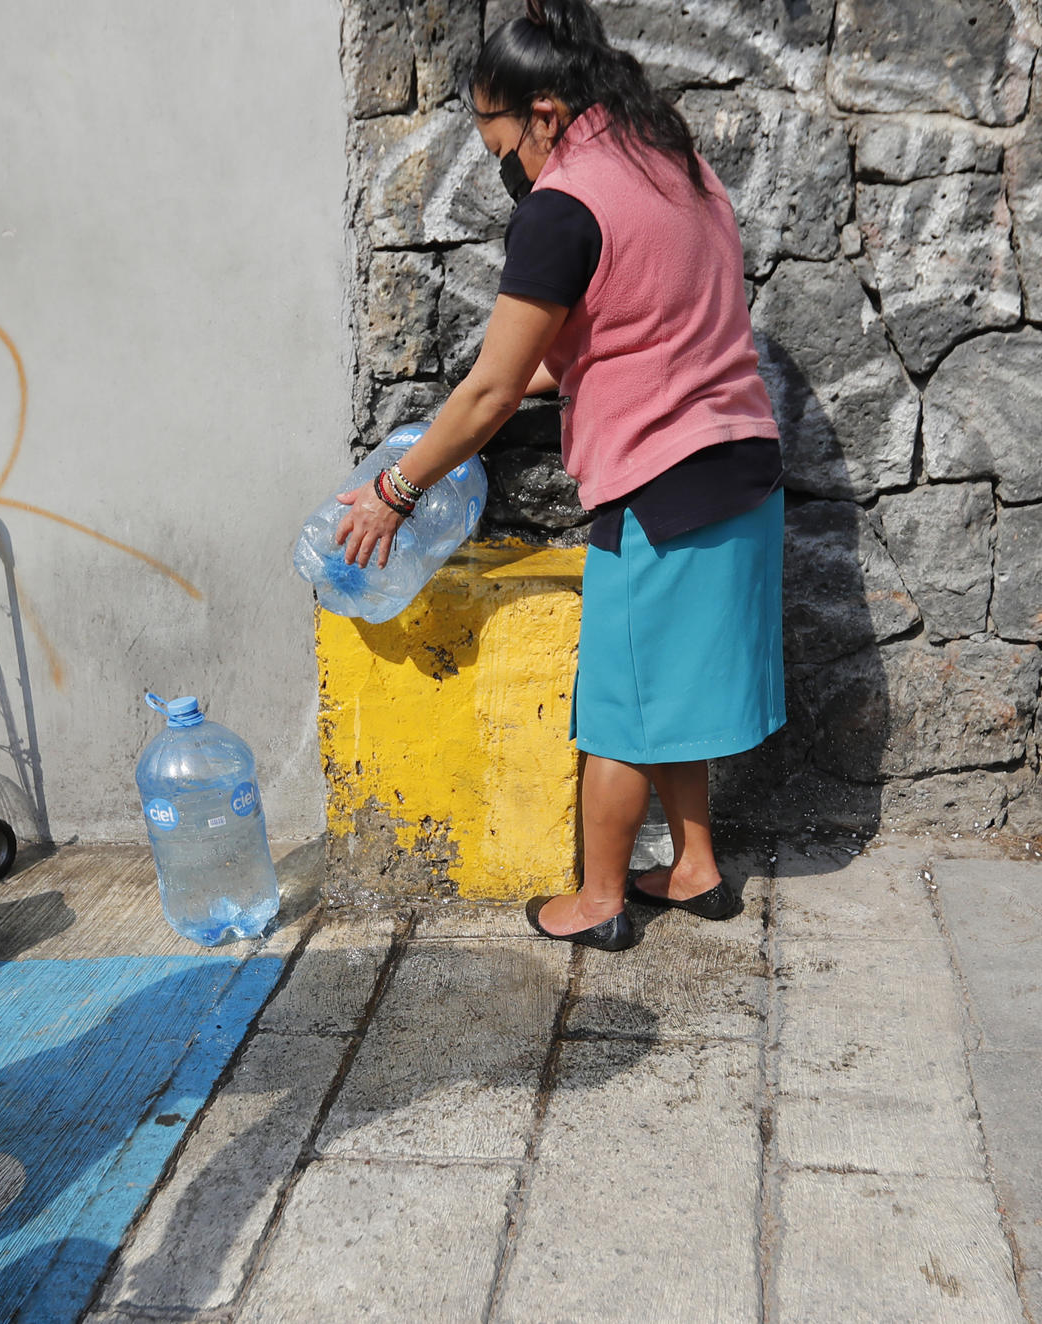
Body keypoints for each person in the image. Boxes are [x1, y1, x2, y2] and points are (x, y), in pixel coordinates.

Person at [335, 0, 784, 951]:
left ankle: (600, 899)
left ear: (541, 112)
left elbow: (496, 389)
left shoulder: (565, 204)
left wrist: (396, 488)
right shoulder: (674, 162)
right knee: (672, 685)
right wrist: (458, 419)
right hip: (741, 464)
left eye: (492, 131)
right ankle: (697, 865)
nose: (498, 157)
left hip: (658, 484)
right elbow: (599, 339)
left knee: (619, 703)